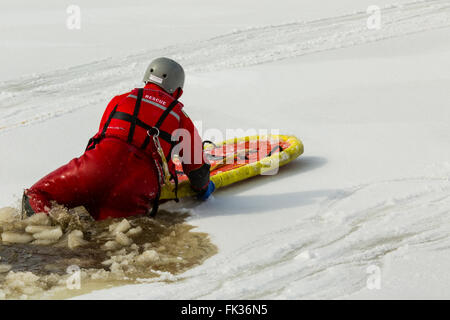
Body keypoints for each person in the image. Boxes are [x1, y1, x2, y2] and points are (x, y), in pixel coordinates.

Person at [22, 57, 215, 220]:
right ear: (178, 91)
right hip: (137, 187)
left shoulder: (120, 99)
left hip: (93, 170)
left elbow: (100, 140)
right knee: (114, 231)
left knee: (35, 195)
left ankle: (46, 230)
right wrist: (205, 189)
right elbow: (197, 172)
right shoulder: (179, 116)